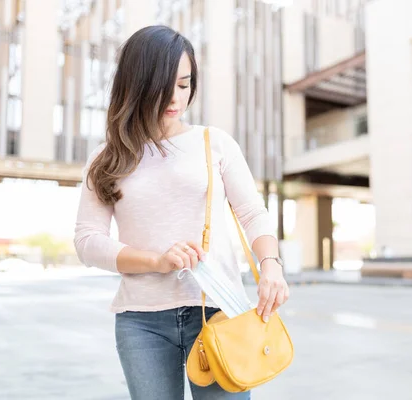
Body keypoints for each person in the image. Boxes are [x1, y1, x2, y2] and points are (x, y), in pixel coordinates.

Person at [73, 25, 289, 400]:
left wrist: (271, 264)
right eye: (163, 86)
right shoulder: (107, 156)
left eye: (185, 84)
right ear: (137, 83)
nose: (176, 98)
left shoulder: (214, 142)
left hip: (219, 313)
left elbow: (252, 213)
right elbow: (87, 241)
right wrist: (156, 260)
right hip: (141, 321)